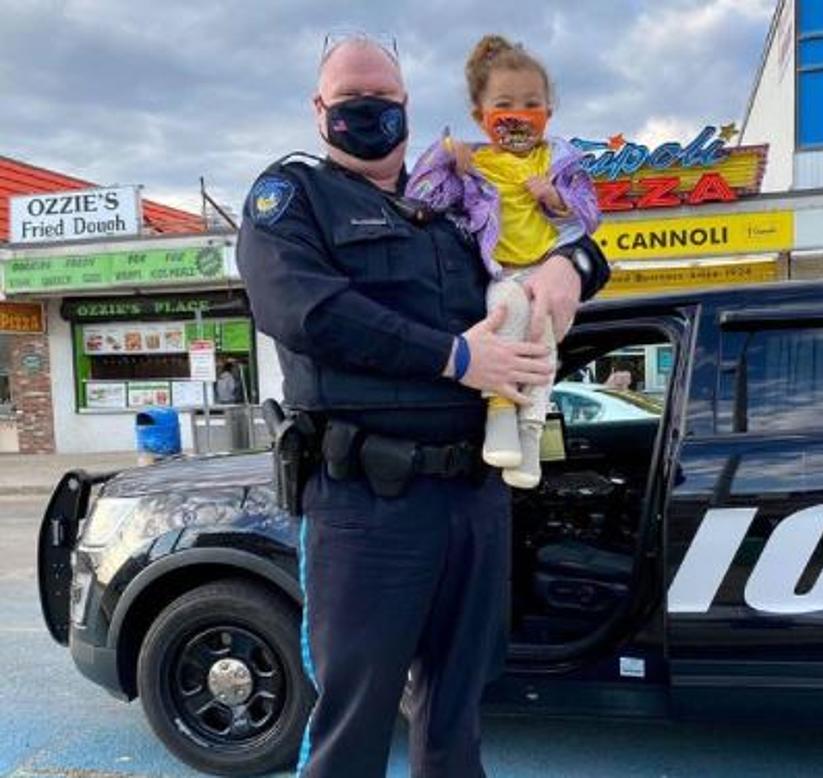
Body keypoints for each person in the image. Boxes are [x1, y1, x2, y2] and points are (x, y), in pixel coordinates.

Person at [236, 32, 609, 778]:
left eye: (385, 99)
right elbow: (304, 310)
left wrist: (573, 266)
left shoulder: (455, 201)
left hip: (472, 497)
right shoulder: (294, 198)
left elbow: (563, 238)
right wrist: (457, 357)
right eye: (351, 100)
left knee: (455, 712)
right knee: (354, 718)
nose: (369, 112)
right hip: (366, 505)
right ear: (320, 110)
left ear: (408, 106)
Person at [407, 34, 600, 489]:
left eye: (532, 102)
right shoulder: (477, 164)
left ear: (548, 112)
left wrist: (555, 197)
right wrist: (445, 158)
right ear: (481, 115)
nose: (520, 114)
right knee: (506, 313)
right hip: (502, 271)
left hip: (547, 266)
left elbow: (591, 216)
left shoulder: (562, 160)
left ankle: (529, 436)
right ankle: (499, 415)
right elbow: (421, 198)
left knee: (542, 340)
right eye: (506, 103)